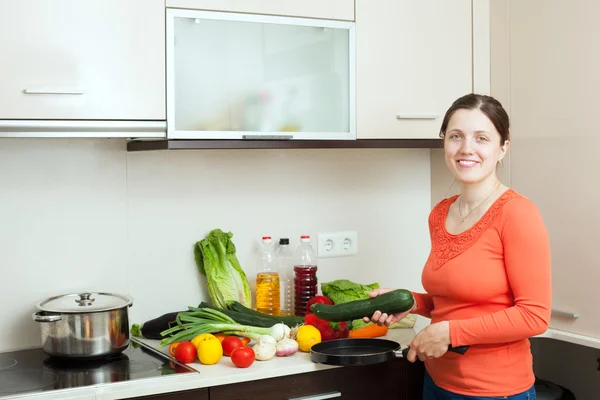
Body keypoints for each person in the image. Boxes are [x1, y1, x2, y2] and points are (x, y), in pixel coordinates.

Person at [366, 93, 551, 399]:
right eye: (456, 136)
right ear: (445, 143)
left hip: (495, 391)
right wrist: (411, 302)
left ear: (503, 147)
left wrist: (450, 334)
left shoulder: (518, 214)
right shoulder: (440, 213)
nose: (467, 149)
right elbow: (454, 301)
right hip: (437, 380)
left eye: (481, 138)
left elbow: (534, 315)